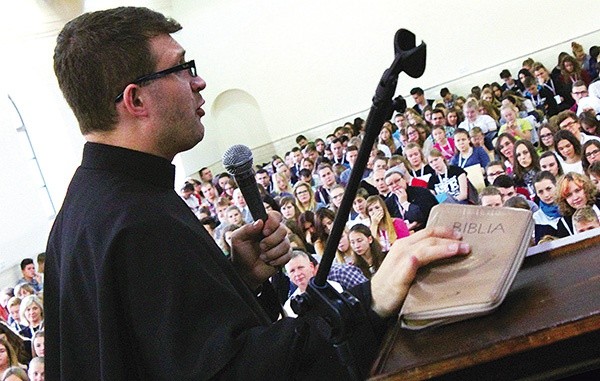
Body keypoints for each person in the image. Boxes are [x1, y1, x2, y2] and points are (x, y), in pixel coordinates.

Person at [47, 7, 472, 380]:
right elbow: (237, 372)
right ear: (136, 99)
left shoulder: (88, 208)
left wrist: (238, 281)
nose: (199, 81)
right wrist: (372, 299)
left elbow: (163, 353)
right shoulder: (138, 220)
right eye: (181, 67)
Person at [282, 251, 343, 318]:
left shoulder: (334, 287)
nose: (297, 274)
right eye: (292, 271)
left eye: (300, 267)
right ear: (288, 276)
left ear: (311, 266)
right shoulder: (289, 306)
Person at [384, 167, 438, 231]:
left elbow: (421, 217)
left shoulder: (421, 192)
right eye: (390, 184)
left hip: (428, 229)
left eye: (397, 181)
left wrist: (405, 203)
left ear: (404, 179)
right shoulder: (388, 203)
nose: (395, 185)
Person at [556, 172, 600, 236]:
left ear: (586, 188)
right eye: (569, 195)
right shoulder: (564, 224)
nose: (575, 197)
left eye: (577, 190)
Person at [532, 171, 570, 243]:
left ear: (556, 186)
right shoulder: (537, 218)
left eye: (548, 189)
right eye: (540, 192)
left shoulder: (569, 206)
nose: (546, 195)